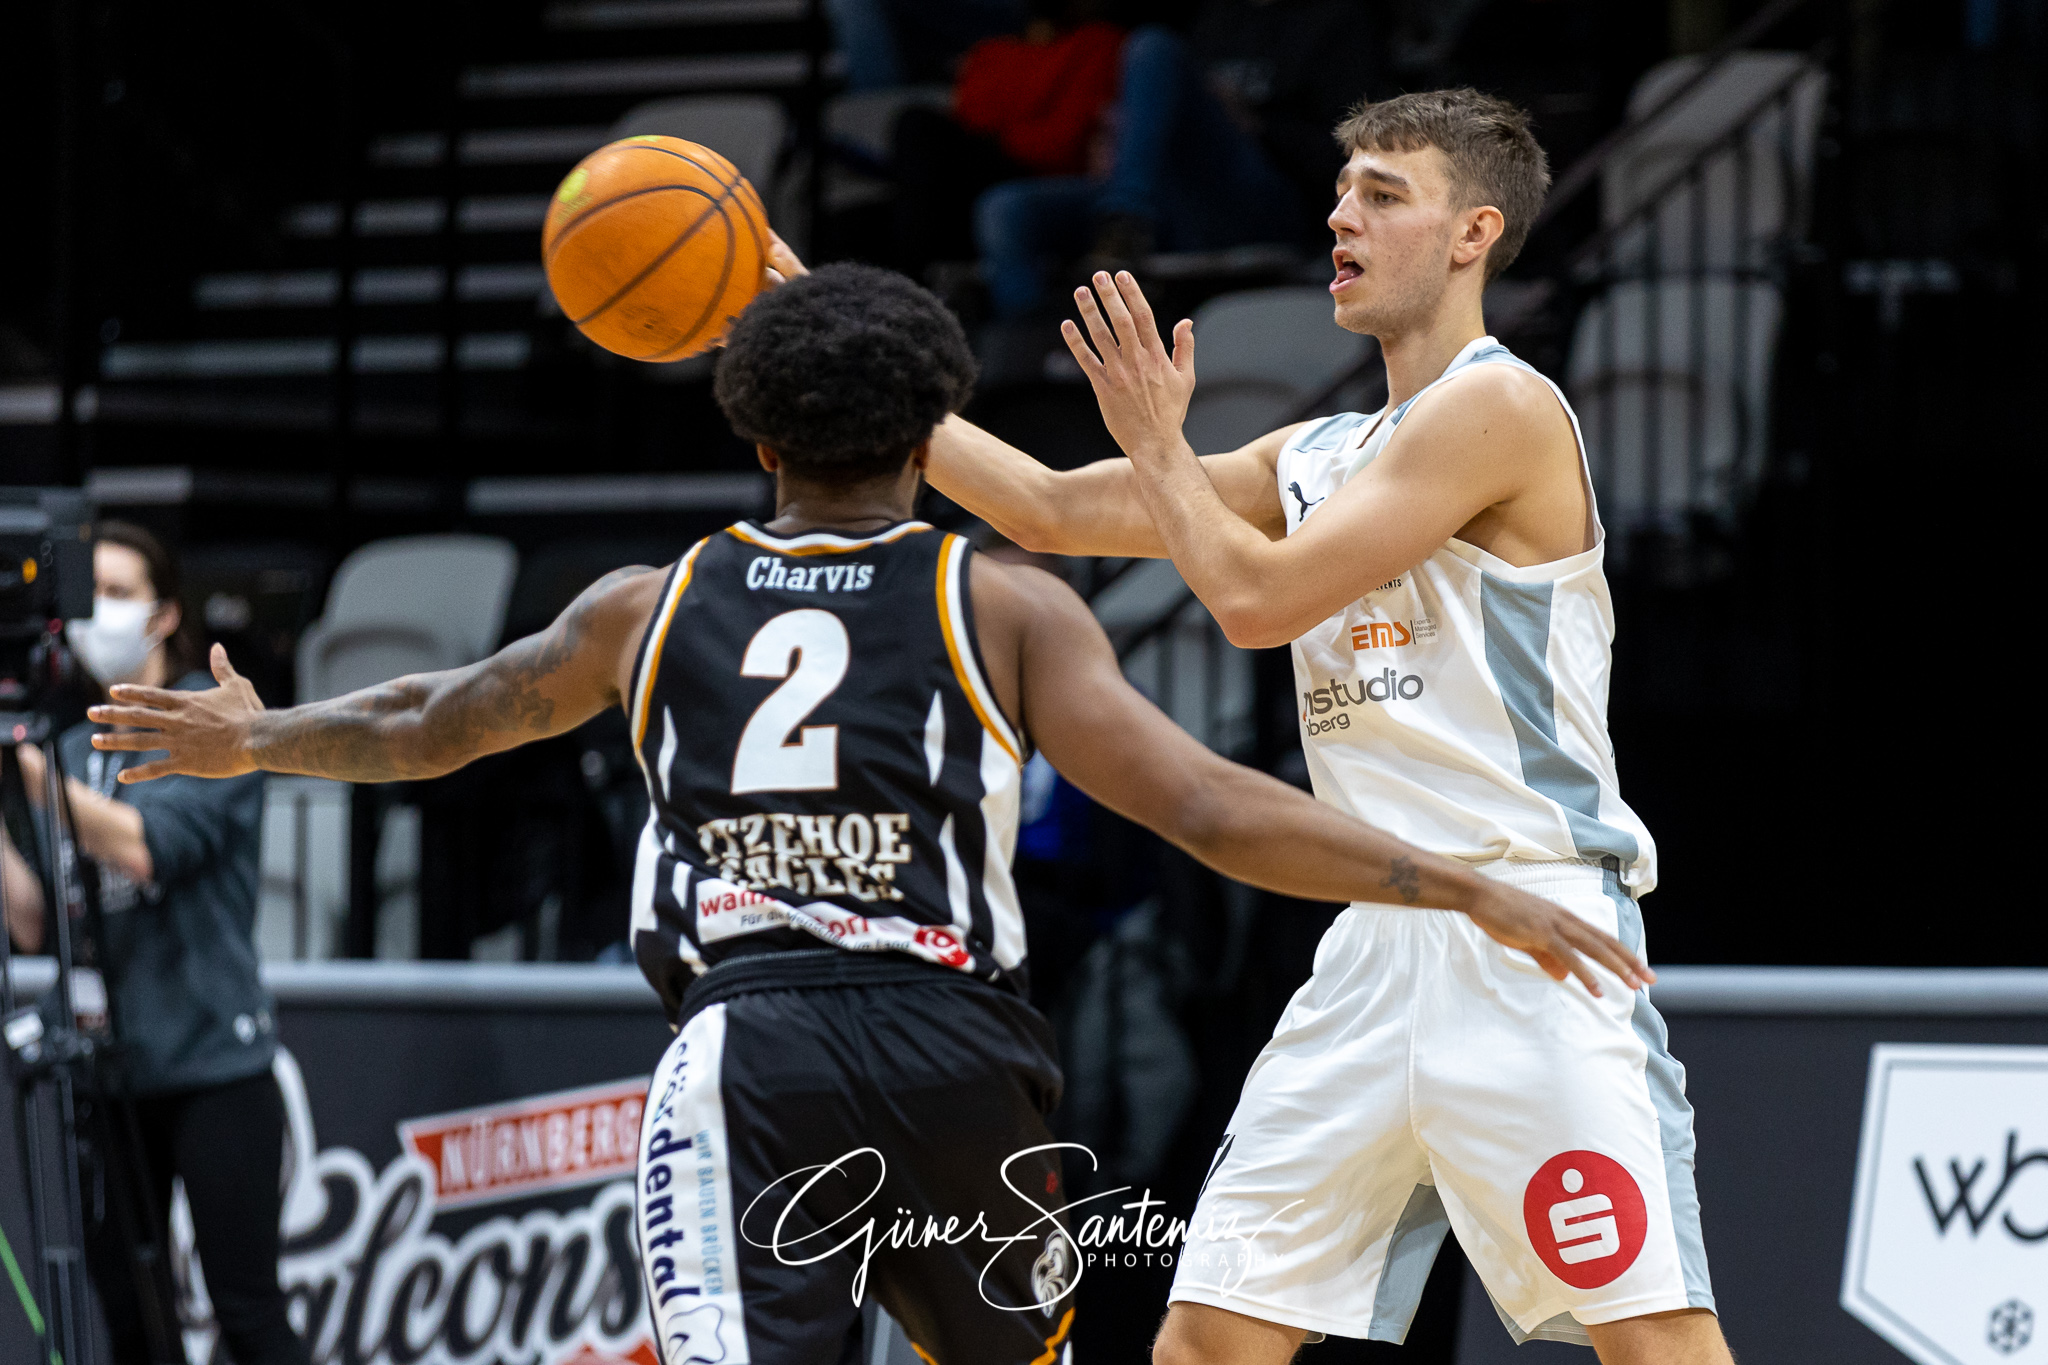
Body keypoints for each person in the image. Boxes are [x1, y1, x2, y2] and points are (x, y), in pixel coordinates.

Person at [91, 262, 1651, 1365]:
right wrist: (1451, 879)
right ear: (929, 442)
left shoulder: (651, 604)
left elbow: (432, 719)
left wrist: (259, 739)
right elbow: (1202, 805)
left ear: (757, 436)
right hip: (962, 1056)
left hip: (750, 1051)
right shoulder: (1004, 602)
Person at [922, 90, 1732, 1363]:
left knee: (1652, 1346)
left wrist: (1156, 442)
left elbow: (1254, 602)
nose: (1338, 214)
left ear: (1471, 234)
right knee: (1205, 1340)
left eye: (1381, 194)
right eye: (1341, 186)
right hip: (1374, 946)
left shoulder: (1498, 408)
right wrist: (834, 358)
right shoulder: (1319, 449)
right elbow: (1035, 507)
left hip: (1526, 932)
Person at [2, 521, 306, 1365]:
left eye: (119, 591)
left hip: (215, 1065)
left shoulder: (214, 741)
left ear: (167, 613)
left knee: (245, 1310)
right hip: (108, 1073)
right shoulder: (66, 749)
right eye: (86, 593)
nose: (97, 613)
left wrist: (23, 769)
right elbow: (34, 920)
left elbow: (140, 846)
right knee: (132, 1317)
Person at [976, 0, 1375, 318]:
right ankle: (1043, 376)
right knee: (1007, 210)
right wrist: (1119, 142)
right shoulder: (1216, 18)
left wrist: (1250, 124)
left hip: (1262, 203)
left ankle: (1123, 221)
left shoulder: (1336, 20)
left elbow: (1347, 158)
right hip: (1167, 202)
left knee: (1153, 47)